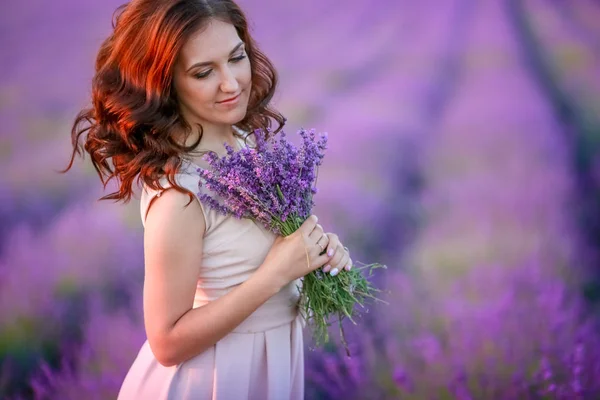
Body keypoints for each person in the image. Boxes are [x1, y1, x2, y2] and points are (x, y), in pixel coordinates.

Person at [63, 0, 354, 399]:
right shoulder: (180, 193)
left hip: (268, 369)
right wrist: (276, 273)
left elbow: (257, 258)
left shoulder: (244, 145)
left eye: (237, 58)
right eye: (203, 72)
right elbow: (166, 343)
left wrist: (315, 256)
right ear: (163, 83)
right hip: (211, 382)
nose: (231, 83)